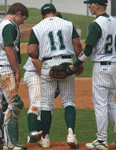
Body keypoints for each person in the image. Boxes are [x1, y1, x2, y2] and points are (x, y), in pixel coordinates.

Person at [69, 0, 116, 149]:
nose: (89, 6)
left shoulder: (96, 24)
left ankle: (101, 140)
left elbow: (87, 51)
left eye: (91, 4)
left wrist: (75, 65)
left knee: (100, 103)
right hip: (114, 67)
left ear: (97, 5)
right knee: (110, 101)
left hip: (101, 68)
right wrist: (115, 62)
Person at [27, 3, 83, 148]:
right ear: (56, 12)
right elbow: (77, 44)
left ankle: (45, 138)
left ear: (42, 15)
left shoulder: (37, 27)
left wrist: (43, 54)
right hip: (67, 63)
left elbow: (31, 51)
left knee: (46, 104)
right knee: (68, 101)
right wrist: (79, 63)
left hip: (48, 65)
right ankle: (71, 134)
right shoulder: (68, 24)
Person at [0, 3, 28, 150]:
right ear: (18, 13)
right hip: (5, 69)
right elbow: (9, 49)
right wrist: (17, 71)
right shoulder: (9, 25)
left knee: (0, 105)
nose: (22, 22)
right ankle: (11, 144)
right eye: (22, 18)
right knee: (15, 104)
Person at [23, 57, 42, 143]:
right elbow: (34, 60)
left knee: (46, 107)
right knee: (37, 102)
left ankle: (35, 139)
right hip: (33, 74)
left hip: (42, 74)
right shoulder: (41, 43)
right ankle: (32, 132)